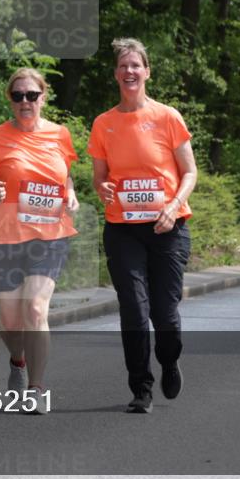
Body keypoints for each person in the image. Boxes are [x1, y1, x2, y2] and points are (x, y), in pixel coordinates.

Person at [88, 38, 198, 414]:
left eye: (136, 65)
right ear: (116, 74)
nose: (130, 72)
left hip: (168, 227)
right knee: (133, 310)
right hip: (122, 229)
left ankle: (169, 360)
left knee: (164, 315)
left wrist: (173, 205)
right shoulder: (104, 124)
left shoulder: (168, 117)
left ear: (147, 71)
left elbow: (189, 172)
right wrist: (101, 187)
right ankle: (141, 389)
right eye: (123, 66)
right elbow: (99, 178)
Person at [0, 68, 79, 415]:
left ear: (43, 97)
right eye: (18, 96)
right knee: (10, 321)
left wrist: (71, 195)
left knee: (35, 308)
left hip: (48, 234)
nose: (25, 102)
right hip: (2, 235)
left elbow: (67, 177)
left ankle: (36, 387)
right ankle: (17, 360)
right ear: (10, 100)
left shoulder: (60, 135)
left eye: (31, 95)